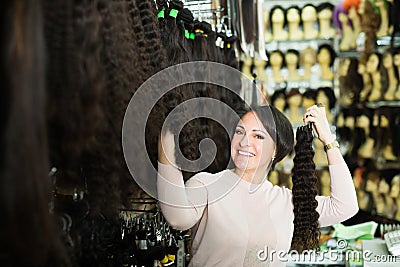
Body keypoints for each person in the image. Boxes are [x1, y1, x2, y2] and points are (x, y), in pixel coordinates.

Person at [157, 104, 358, 266]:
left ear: (275, 151)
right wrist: (167, 135)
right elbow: (177, 218)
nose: (244, 142)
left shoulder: (287, 202)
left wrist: (328, 140)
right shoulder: (207, 184)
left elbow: (346, 206)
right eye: (239, 132)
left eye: (258, 136)